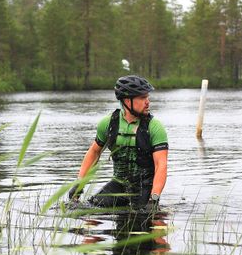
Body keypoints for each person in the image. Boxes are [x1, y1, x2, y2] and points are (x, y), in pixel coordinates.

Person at [69, 75, 168, 211]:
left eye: (147, 97)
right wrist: (79, 184)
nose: (148, 102)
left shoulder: (155, 127)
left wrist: (154, 198)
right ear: (127, 100)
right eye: (142, 98)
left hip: (144, 187)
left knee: (143, 217)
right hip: (119, 183)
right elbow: (94, 152)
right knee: (87, 211)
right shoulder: (108, 123)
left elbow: (161, 165)